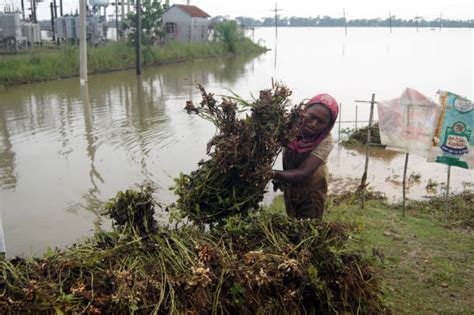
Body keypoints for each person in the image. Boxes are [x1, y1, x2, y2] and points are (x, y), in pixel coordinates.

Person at [272, 94, 339, 220]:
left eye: (321, 122)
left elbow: (303, 173)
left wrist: (268, 173)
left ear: (328, 125)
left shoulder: (326, 141)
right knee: (292, 218)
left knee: (307, 227)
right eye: (312, 117)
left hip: (312, 189)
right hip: (291, 185)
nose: (314, 124)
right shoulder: (289, 128)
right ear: (304, 111)